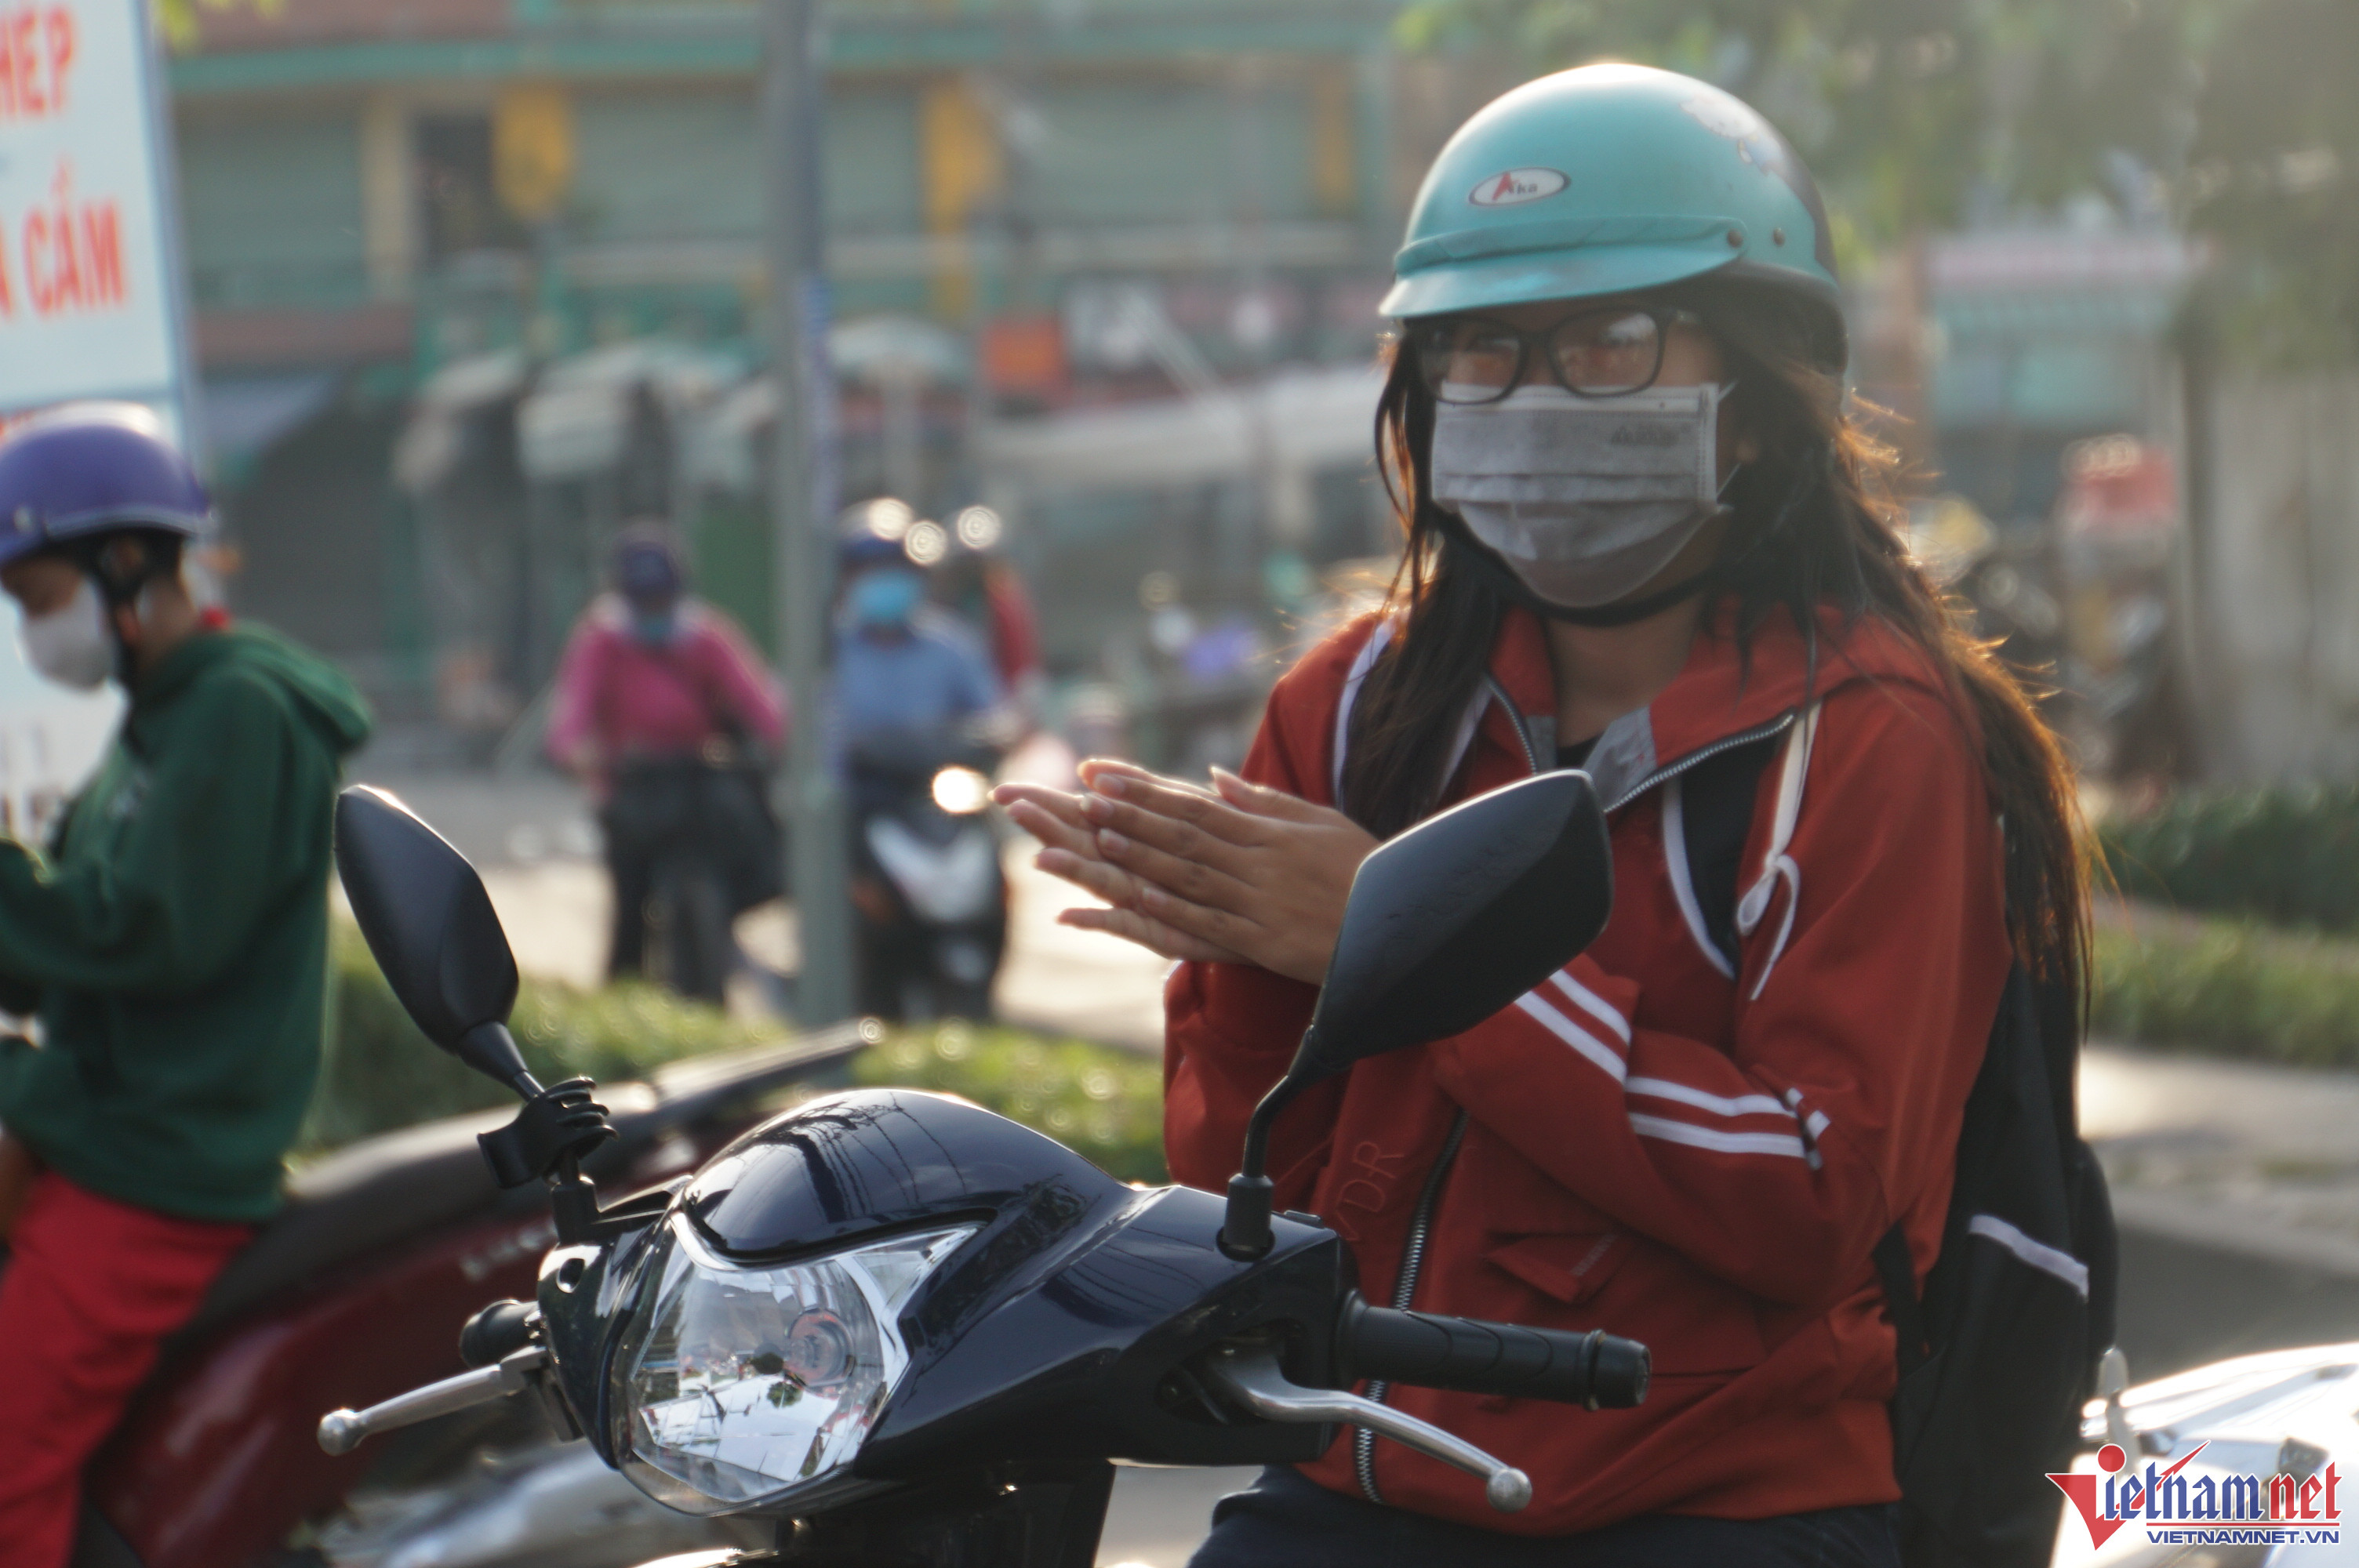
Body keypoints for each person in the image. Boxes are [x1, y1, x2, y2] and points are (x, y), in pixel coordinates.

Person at [998, 65, 2085, 1568]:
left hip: (1721, 1504)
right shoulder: (1350, 707)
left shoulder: (1865, 734)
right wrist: (1252, 963)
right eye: (1482, 352)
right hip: (1370, 1478)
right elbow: (1243, 1183)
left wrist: (1408, 948)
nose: (1532, 398)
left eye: (1606, 345)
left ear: (1757, 404)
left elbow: (1813, 1194)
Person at [0, 404, 373, 1568]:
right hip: (105, 1133)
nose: (30, 627)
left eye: (39, 594)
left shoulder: (236, 713)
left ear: (126, 562)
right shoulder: (157, 724)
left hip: (157, 1170)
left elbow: (146, 936)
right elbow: (76, 939)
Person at [546, 524, 787, 996]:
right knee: (629, 915)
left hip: (699, 789)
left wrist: (775, 742)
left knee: (752, 866)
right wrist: (577, 755)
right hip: (634, 795)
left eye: (661, 599)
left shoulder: (707, 637)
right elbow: (570, 722)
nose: (654, 610)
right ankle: (624, 998)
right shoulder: (601, 641)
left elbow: (762, 708)